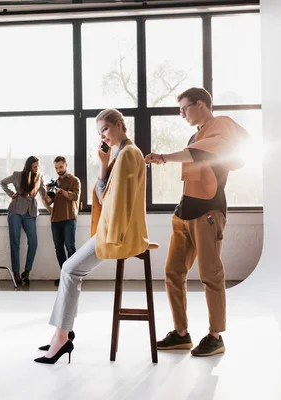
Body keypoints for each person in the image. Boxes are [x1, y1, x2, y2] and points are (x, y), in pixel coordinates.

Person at [34, 109, 150, 364]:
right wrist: (103, 164)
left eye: (106, 130)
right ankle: (61, 333)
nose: (103, 136)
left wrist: (112, 236)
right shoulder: (121, 154)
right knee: (70, 269)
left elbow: (115, 200)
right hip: (111, 229)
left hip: (117, 232)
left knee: (70, 268)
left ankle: (62, 336)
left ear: (120, 125)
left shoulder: (129, 154)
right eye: (100, 133)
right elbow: (104, 195)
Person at [145, 87, 249, 357]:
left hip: (208, 213)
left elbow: (197, 155)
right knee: (172, 273)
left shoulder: (221, 125)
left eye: (184, 108)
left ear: (200, 103)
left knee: (210, 275)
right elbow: (192, 161)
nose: (181, 114)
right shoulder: (195, 134)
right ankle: (181, 333)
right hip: (184, 213)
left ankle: (215, 336)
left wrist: (165, 157)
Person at [0, 156, 47, 285]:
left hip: (30, 212)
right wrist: (11, 194)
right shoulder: (17, 175)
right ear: (28, 167)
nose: (36, 169)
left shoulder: (39, 177)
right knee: (15, 242)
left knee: (34, 242)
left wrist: (52, 206)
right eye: (34, 167)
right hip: (15, 211)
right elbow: (2, 182)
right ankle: (15, 273)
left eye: (37, 167)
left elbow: (44, 195)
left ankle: (27, 272)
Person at [43, 156, 81, 286]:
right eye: (56, 168)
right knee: (58, 249)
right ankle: (65, 276)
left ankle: (73, 277)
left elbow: (75, 196)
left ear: (66, 165)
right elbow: (48, 202)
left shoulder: (74, 180)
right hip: (55, 220)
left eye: (60, 167)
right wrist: (49, 192)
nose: (58, 170)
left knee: (70, 248)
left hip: (69, 218)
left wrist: (62, 191)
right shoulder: (55, 182)